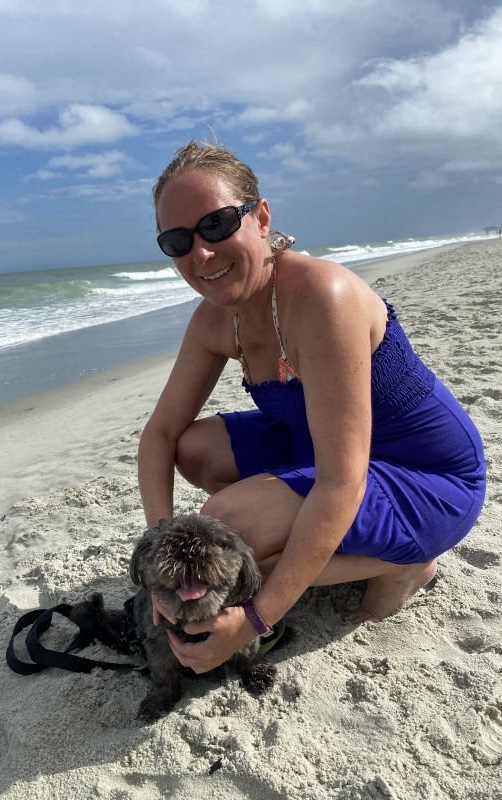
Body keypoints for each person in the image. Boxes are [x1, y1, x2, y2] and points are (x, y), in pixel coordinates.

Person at [137, 141, 486, 676]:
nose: (200, 254)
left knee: (227, 524)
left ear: (261, 218)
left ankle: (406, 563)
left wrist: (254, 619)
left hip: (427, 476)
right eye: (178, 240)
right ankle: (309, 538)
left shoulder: (323, 296)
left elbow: (342, 482)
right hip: (325, 449)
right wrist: (161, 561)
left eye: (216, 225)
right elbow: (161, 434)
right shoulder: (216, 319)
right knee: (195, 449)